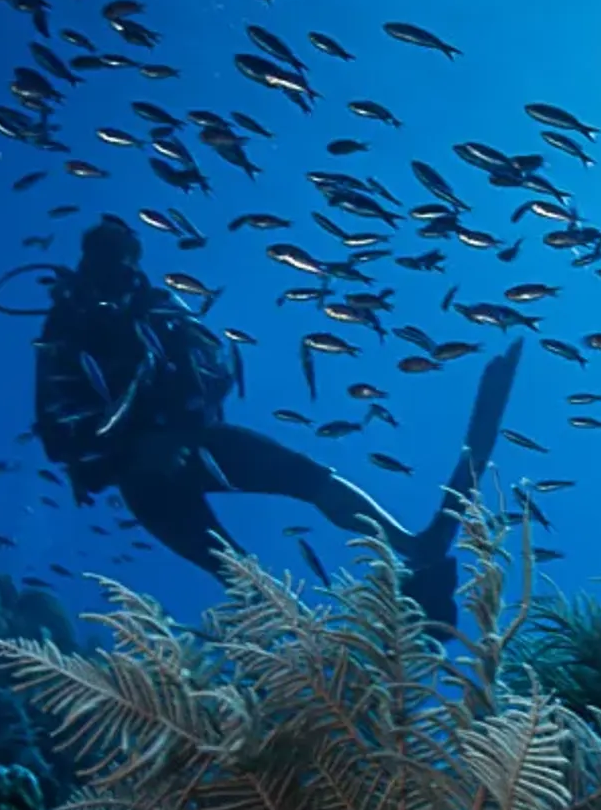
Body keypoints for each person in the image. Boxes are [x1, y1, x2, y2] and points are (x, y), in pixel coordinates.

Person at [29, 216, 515, 622]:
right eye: (105, 261)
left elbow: (215, 370)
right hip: (139, 476)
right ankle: (302, 638)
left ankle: (413, 548)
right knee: (235, 569)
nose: (114, 273)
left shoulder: (158, 306)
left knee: (306, 479)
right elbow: (54, 431)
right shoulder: (65, 329)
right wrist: (124, 454)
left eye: (121, 260)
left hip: (200, 443)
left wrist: (178, 430)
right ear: (86, 264)